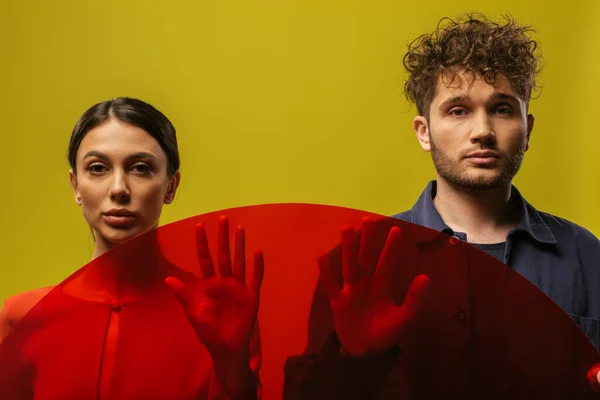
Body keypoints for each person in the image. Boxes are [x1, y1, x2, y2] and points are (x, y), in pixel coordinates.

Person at [283, 13, 600, 398]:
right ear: (424, 132)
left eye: (501, 109)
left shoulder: (588, 258)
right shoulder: (358, 266)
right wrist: (353, 356)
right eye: (458, 110)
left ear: (527, 129)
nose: (482, 131)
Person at [0, 97, 264, 399]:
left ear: (170, 186)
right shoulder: (23, 317)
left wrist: (233, 372)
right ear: (75, 185)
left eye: (140, 168)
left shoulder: (218, 316)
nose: (118, 189)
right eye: (97, 168)